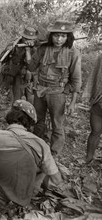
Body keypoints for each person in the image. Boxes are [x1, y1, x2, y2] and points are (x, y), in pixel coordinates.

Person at [27, 20, 82, 155]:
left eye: (63, 36)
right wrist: (30, 49)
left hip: (58, 92)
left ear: (68, 37)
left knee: (57, 125)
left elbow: (76, 78)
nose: (59, 39)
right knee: (38, 121)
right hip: (40, 90)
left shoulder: (73, 53)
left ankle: (54, 154)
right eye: (56, 35)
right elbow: (31, 67)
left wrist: (73, 102)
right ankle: (37, 149)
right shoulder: (43, 49)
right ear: (51, 36)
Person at [0, 26, 38, 104]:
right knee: (2, 97)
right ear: (22, 37)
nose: (28, 41)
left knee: (26, 101)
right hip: (10, 75)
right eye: (26, 38)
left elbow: (33, 66)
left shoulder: (36, 49)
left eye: (30, 39)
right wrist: (8, 51)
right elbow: (1, 59)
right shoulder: (14, 44)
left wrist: (28, 50)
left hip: (25, 78)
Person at [82, 40, 102, 163]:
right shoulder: (101, 57)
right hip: (98, 102)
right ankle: (89, 157)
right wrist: (87, 94)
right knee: (95, 131)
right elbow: (94, 76)